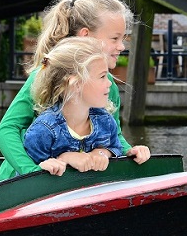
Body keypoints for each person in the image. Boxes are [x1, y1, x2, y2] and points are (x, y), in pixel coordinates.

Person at [0, 0, 151, 179]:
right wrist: (32, 171)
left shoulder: (109, 88)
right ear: (86, 36)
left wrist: (129, 151)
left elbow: (113, 133)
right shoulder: (43, 77)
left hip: (73, 178)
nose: (121, 47)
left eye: (123, 39)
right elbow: (7, 130)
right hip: (23, 178)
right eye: (114, 38)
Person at [23, 37, 122, 175]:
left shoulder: (106, 121)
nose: (109, 83)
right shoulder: (43, 131)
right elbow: (27, 176)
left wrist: (102, 153)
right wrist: (64, 158)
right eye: (102, 76)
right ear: (76, 85)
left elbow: (116, 147)